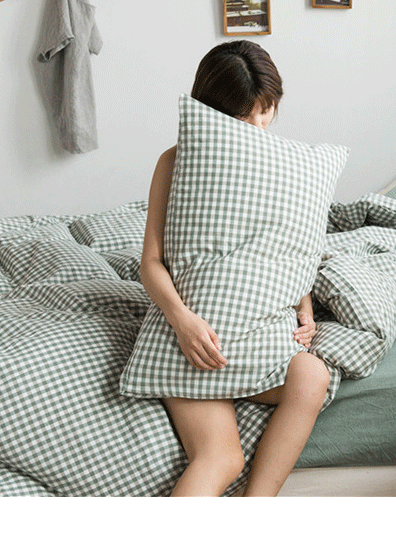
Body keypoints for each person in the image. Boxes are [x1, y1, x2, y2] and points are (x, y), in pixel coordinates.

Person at [140, 40, 331, 497]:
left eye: (265, 112)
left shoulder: (283, 167)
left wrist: (304, 306)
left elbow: (286, 250)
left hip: (258, 338)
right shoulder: (175, 162)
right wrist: (183, 321)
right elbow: (150, 262)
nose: (258, 128)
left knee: (312, 375)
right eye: (244, 118)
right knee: (222, 458)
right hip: (195, 342)